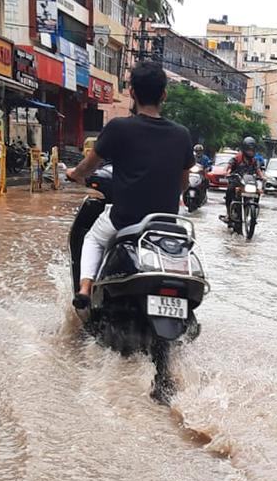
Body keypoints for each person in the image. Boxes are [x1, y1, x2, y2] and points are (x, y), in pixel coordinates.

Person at [67, 61, 194, 308]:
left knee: (93, 237)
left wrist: (75, 174)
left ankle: (85, 288)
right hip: (165, 224)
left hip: (124, 220)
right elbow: (184, 183)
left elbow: (89, 166)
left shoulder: (119, 127)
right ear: (164, 95)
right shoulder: (182, 134)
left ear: (132, 93)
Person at [223, 136, 265, 220]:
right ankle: (228, 214)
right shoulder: (237, 158)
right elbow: (229, 166)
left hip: (249, 182)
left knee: (258, 192)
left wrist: (262, 177)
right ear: (244, 149)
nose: (250, 152)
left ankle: (253, 213)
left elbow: (258, 170)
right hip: (236, 180)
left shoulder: (254, 160)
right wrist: (226, 172)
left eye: (252, 150)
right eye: (248, 150)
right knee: (229, 191)